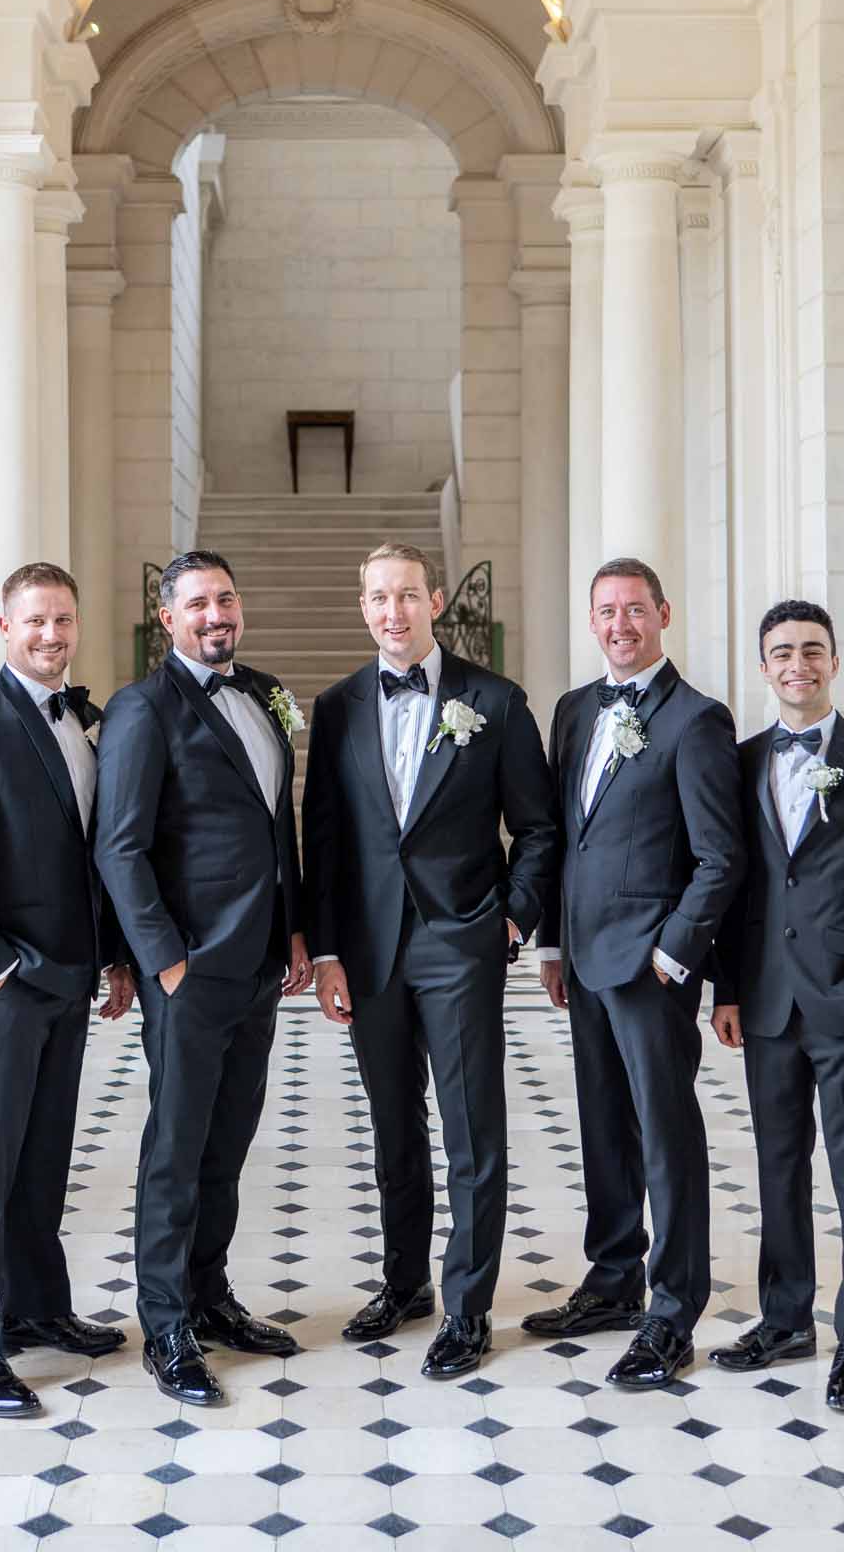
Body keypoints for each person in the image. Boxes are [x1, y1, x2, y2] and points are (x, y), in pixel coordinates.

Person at [302, 542, 561, 1378]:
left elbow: (538, 828)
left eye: (407, 596)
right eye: (378, 597)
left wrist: (512, 920)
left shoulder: (495, 699)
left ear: (435, 602)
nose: (392, 612)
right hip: (371, 949)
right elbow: (325, 840)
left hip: (460, 941)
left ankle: (470, 1305)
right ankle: (405, 1282)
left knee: (470, 1128)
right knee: (391, 1126)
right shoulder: (337, 705)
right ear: (363, 606)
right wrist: (331, 948)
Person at [93, 549, 312, 1408]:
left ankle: (210, 1294)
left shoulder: (264, 693)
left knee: (227, 1144)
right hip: (189, 969)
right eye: (197, 604)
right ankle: (166, 1324)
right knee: (175, 1152)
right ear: (167, 619)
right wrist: (164, 961)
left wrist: (294, 929)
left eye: (225, 599)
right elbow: (120, 845)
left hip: (259, 960)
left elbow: (273, 823)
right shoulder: (142, 709)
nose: (215, 614)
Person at [709, 599, 844, 1413]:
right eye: (780, 653)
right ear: (763, 666)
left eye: (811, 651)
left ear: (834, 662)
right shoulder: (736, 765)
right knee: (775, 1169)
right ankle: (783, 1318)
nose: (796, 665)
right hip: (765, 1004)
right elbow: (731, 890)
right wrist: (727, 986)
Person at [0, 562, 134, 1418]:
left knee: (45, 1152)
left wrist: (110, 956)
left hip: (71, 973)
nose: (51, 636)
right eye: (35, 622)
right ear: (4, 627)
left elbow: (94, 854)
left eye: (63, 621)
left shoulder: (81, 720)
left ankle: (38, 1307)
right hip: (7, 983)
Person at [527, 557, 745, 1389]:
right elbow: (563, 836)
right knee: (601, 1126)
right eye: (606, 612)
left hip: (651, 966)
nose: (620, 625)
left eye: (634, 610)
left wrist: (672, 952)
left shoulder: (696, 720)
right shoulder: (574, 711)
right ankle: (613, 1279)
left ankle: (672, 1308)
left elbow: (719, 858)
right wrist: (551, 944)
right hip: (583, 959)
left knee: (665, 1134)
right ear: (592, 623)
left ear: (663, 613)